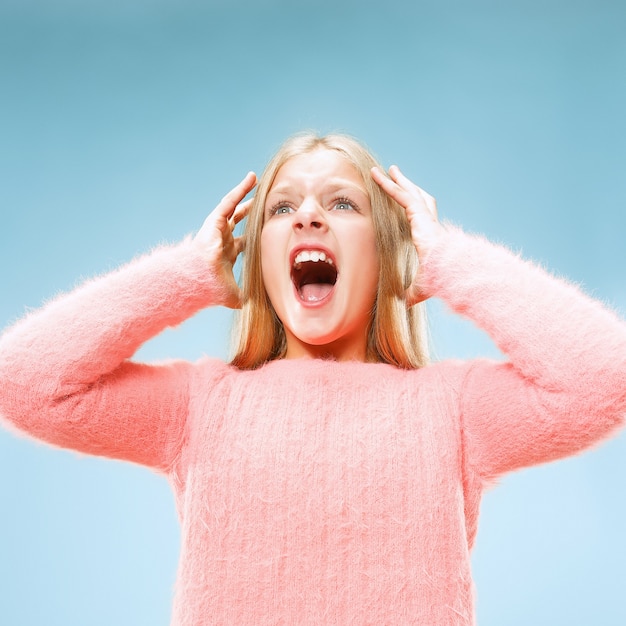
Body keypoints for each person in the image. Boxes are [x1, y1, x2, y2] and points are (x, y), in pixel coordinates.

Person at [0, 132, 625, 625]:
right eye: (282, 206)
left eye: (342, 202)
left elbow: (602, 377)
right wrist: (185, 275)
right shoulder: (200, 406)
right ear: (260, 260)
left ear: (386, 248)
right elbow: (25, 382)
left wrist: (452, 262)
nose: (307, 217)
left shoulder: (452, 409)